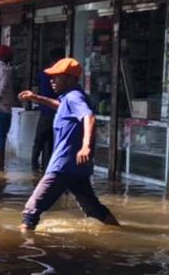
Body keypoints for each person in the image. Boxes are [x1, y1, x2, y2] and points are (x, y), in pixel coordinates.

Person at [18, 58, 120, 232]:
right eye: (51, 77)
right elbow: (60, 106)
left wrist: (86, 146)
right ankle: (120, 232)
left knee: (31, 211)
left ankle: (23, 248)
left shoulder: (74, 97)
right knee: (94, 209)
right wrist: (37, 98)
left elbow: (89, 117)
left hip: (63, 165)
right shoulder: (69, 98)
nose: (52, 80)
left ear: (71, 79)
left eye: (57, 77)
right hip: (76, 167)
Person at [32, 47, 66, 170]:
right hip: (55, 112)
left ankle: (34, 167)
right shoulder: (59, 75)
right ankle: (43, 167)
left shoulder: (44, 73)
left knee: (40, 141)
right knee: (50, 142)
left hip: (47, 112)